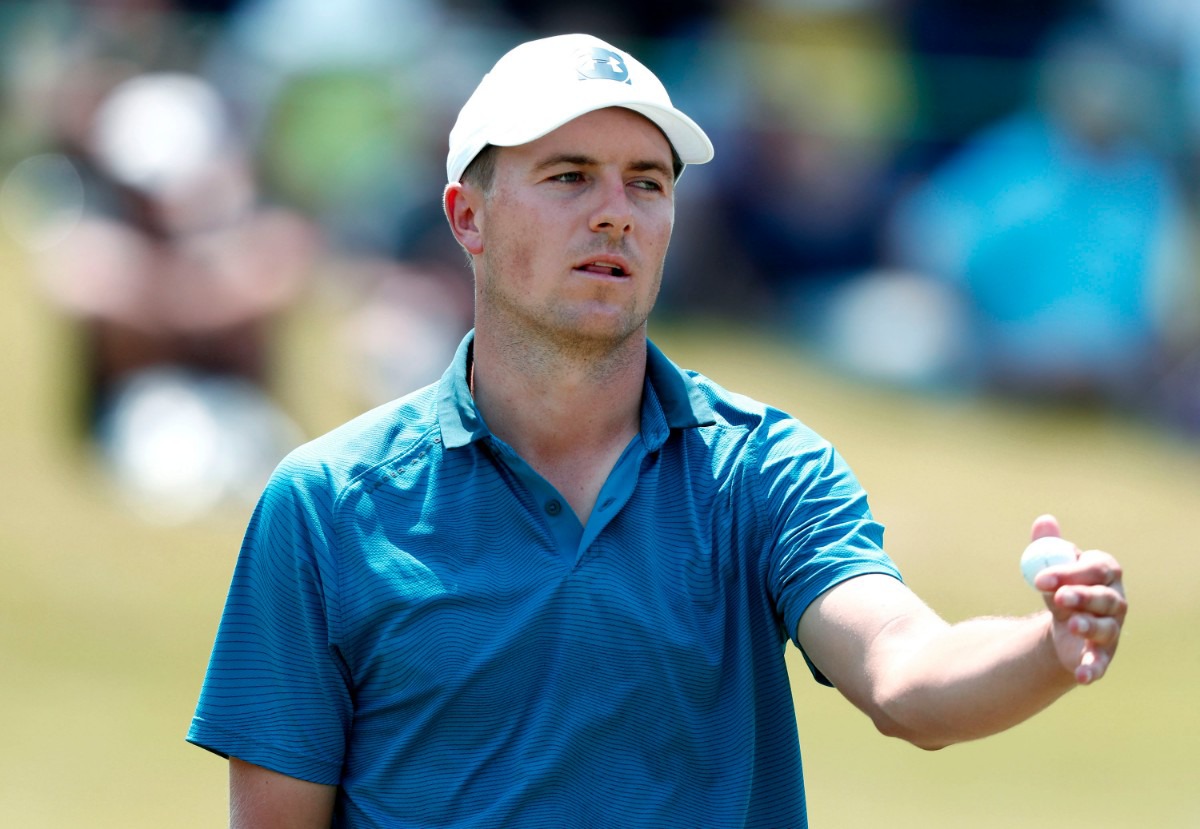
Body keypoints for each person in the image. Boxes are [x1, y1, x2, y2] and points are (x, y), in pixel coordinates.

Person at [187, 33, 1128, 828]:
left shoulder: (760, 471)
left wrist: (1044, 647)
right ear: (467, 216)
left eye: (647, 183)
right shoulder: (327, 507)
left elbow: (903, 671)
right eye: (569, 176)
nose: (614, 212)